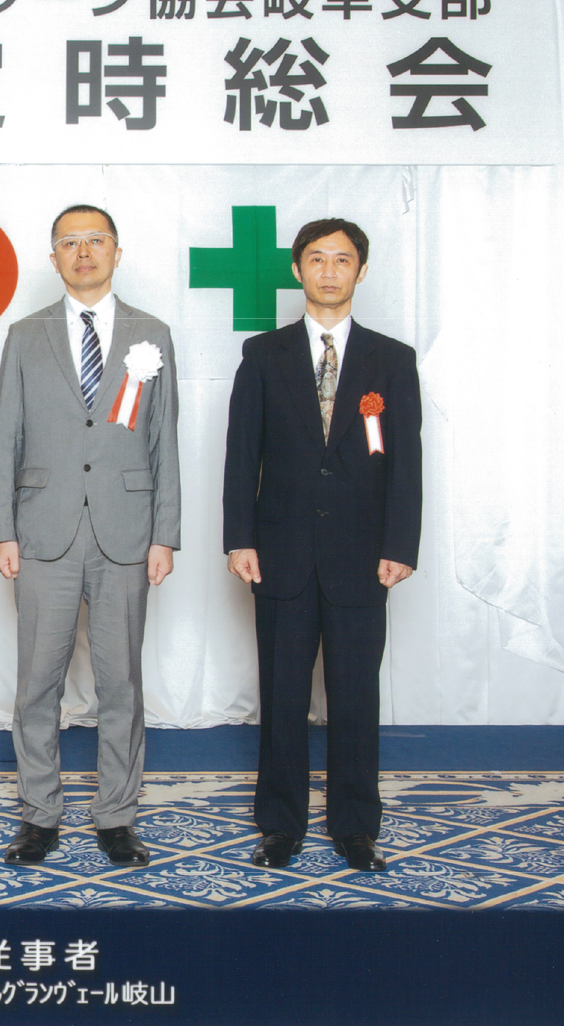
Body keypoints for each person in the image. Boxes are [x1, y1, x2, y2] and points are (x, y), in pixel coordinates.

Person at [222, 218, 422, 873]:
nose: (329, 270)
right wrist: (239, 538)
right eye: (316, 258)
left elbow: (406, 462)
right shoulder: (263, 354)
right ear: (297, 269)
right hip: (279, 552)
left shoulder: (392, 359)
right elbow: (241, 454)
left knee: (355, 697)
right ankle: (279, 826)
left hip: (362, 557)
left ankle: (355, 827)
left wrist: (401, 544)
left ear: (360, 270)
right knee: (281, 695)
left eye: (342, 259)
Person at [0, 205, 181, 868]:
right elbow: (6, 437)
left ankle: (116, 817)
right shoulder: (25, 335)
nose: (83, 252)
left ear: (116, 251)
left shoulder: (151, 334)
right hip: (43, 531)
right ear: (53, 258)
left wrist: (165, 534)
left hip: (127, 532)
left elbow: (163, 441)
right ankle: (39, 815)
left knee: (120, 682)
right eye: (69, 243)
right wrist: (2, 530)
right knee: (36, 683)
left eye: (95, 240)